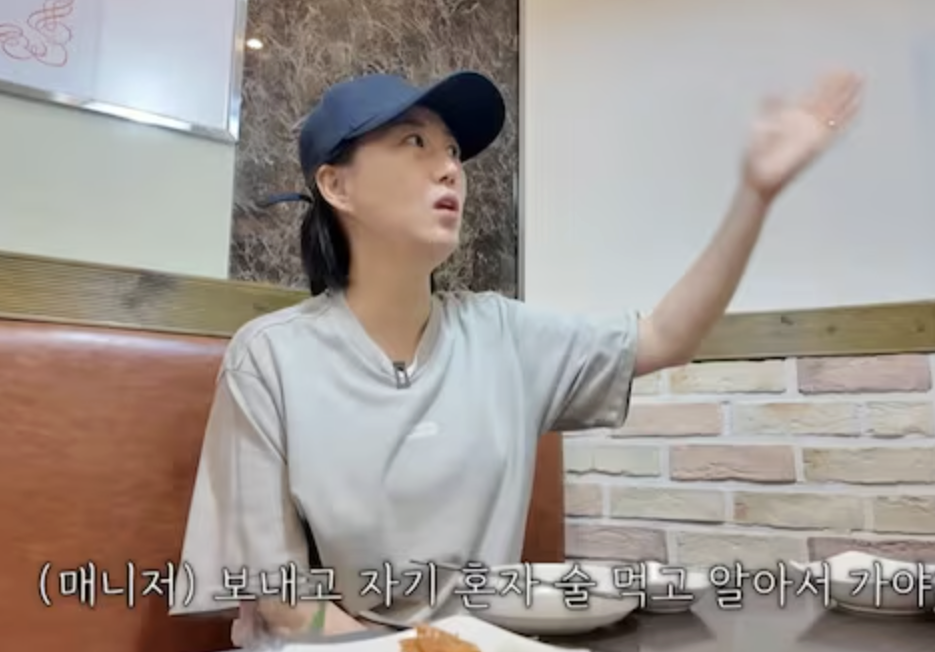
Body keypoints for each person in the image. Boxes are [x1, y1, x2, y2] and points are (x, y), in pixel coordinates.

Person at [170, 69, 863, 643]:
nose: (450, 167)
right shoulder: (270, 358)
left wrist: (755, 196)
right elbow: (284, 604)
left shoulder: (502, 335)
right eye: (414, 141)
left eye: (453, 150)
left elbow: (664, 338)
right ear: (337, 186)